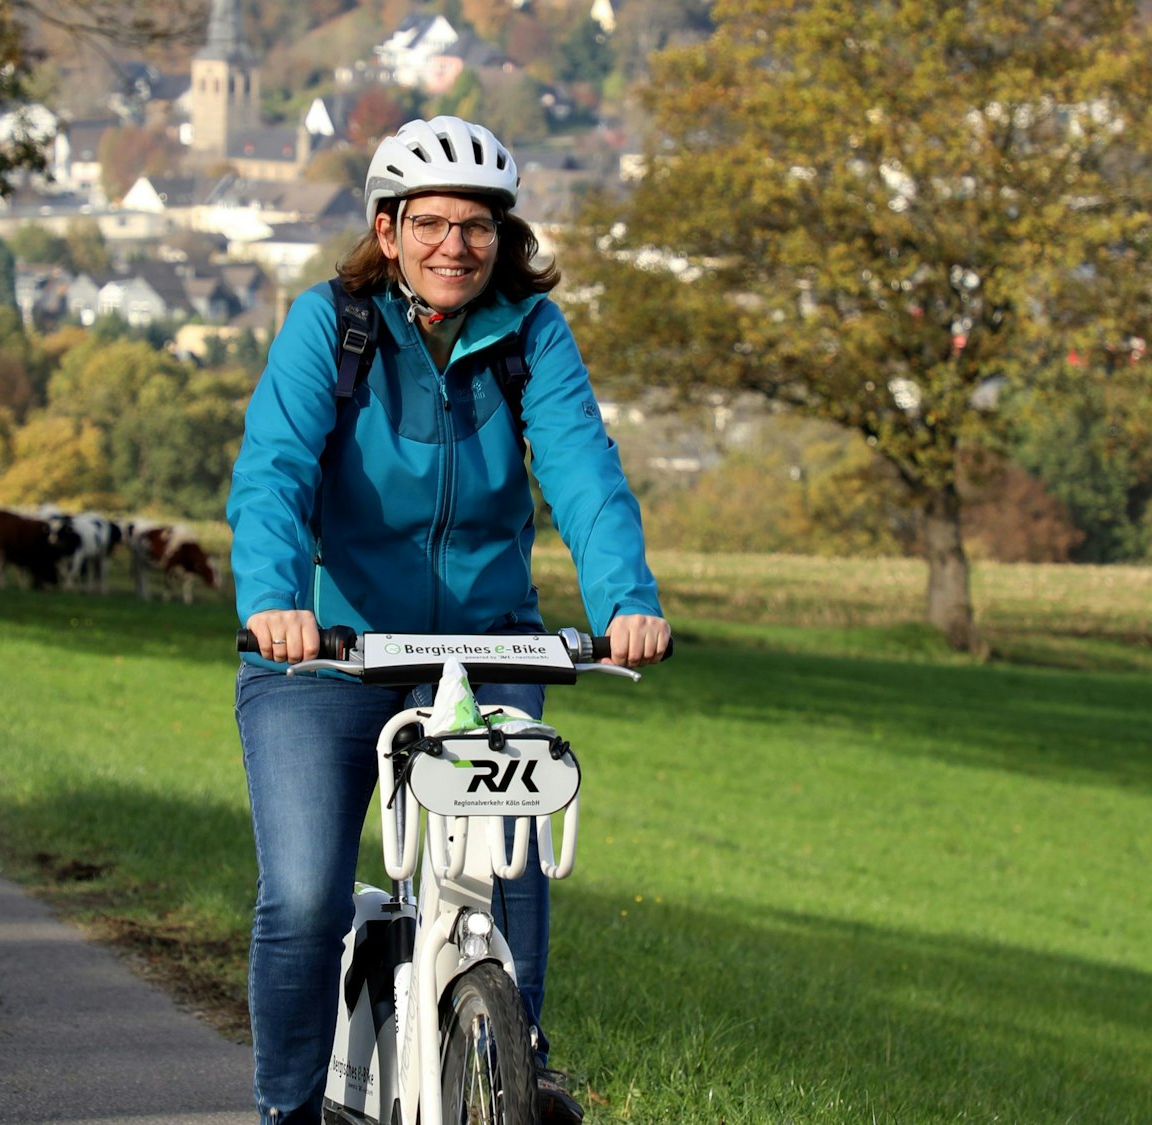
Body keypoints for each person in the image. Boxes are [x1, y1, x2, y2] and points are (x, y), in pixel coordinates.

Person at [227, 115, 670, 1125]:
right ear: (386, 230)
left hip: (487, 642)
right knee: (303, 898)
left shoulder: (529, 334)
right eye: (428, 223)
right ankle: (285, 1112)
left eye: (477, 226)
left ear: (501, 236)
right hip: (329, 656)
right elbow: (275, 474)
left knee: (505, 863)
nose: (453, 246)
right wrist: (274, 601)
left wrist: (625, 604)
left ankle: (516, 1067)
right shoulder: (328, 325)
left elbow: (582, 472)